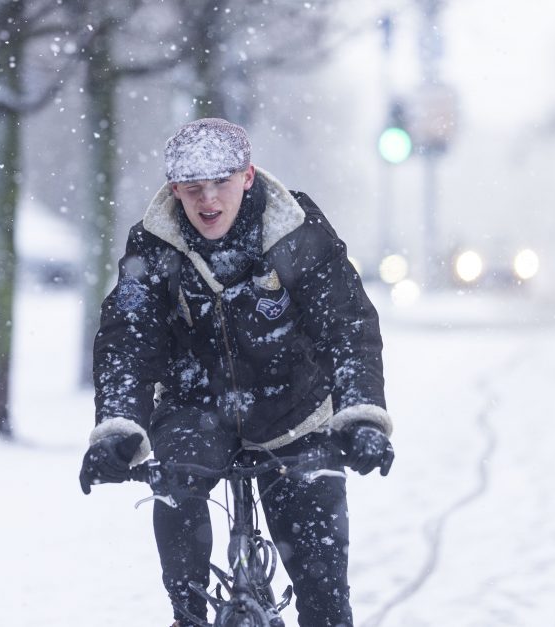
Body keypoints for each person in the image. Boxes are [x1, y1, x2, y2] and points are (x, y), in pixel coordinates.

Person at [79, 118, 394, 627]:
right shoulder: (154, 246)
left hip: (296, 411)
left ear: (247, 177)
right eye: (192, 188)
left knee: (324, 598)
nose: (208, 201)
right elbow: (128, 340)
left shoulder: (296, 232)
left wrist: (361, 416)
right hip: (195, 408)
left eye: (221, 183)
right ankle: (189, 614)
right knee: (176, 491)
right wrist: (117, 430)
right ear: (174, 188)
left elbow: (346, 323)